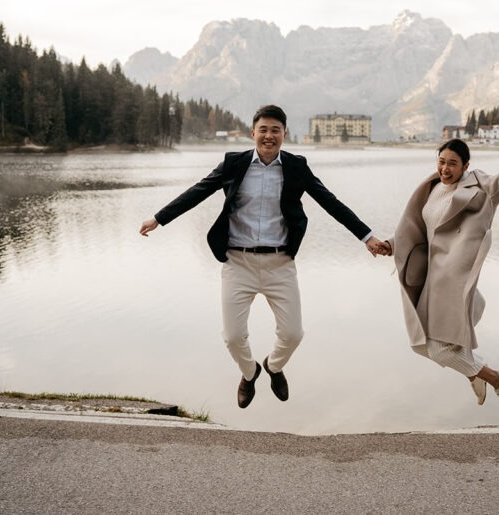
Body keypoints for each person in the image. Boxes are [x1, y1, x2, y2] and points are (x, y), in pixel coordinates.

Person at [140, 105, 384, 409]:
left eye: (275, 130)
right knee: (232, 337)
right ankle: (250, 371)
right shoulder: (234, 163)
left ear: (284, 134)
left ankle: (274, 366)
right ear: (253, 133)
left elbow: (330, 202)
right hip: (237, 262)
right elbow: (198, 191)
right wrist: (159, 219)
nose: (269, 136)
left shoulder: (296, 167)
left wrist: (367, 236)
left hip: (279, 263)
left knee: (293, 334)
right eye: (263, 130)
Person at [375, 130, 499, 410]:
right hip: (432, 275)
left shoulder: (480, 187)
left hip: (453, 275)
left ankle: (496, 379)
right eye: (441, 161)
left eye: (452, 163)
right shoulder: (432, 187)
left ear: (466, 166)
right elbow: (416, 228)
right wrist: (391, 244)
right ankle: (479, 373)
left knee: (438, 348)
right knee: (421, 344)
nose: (445, 169)